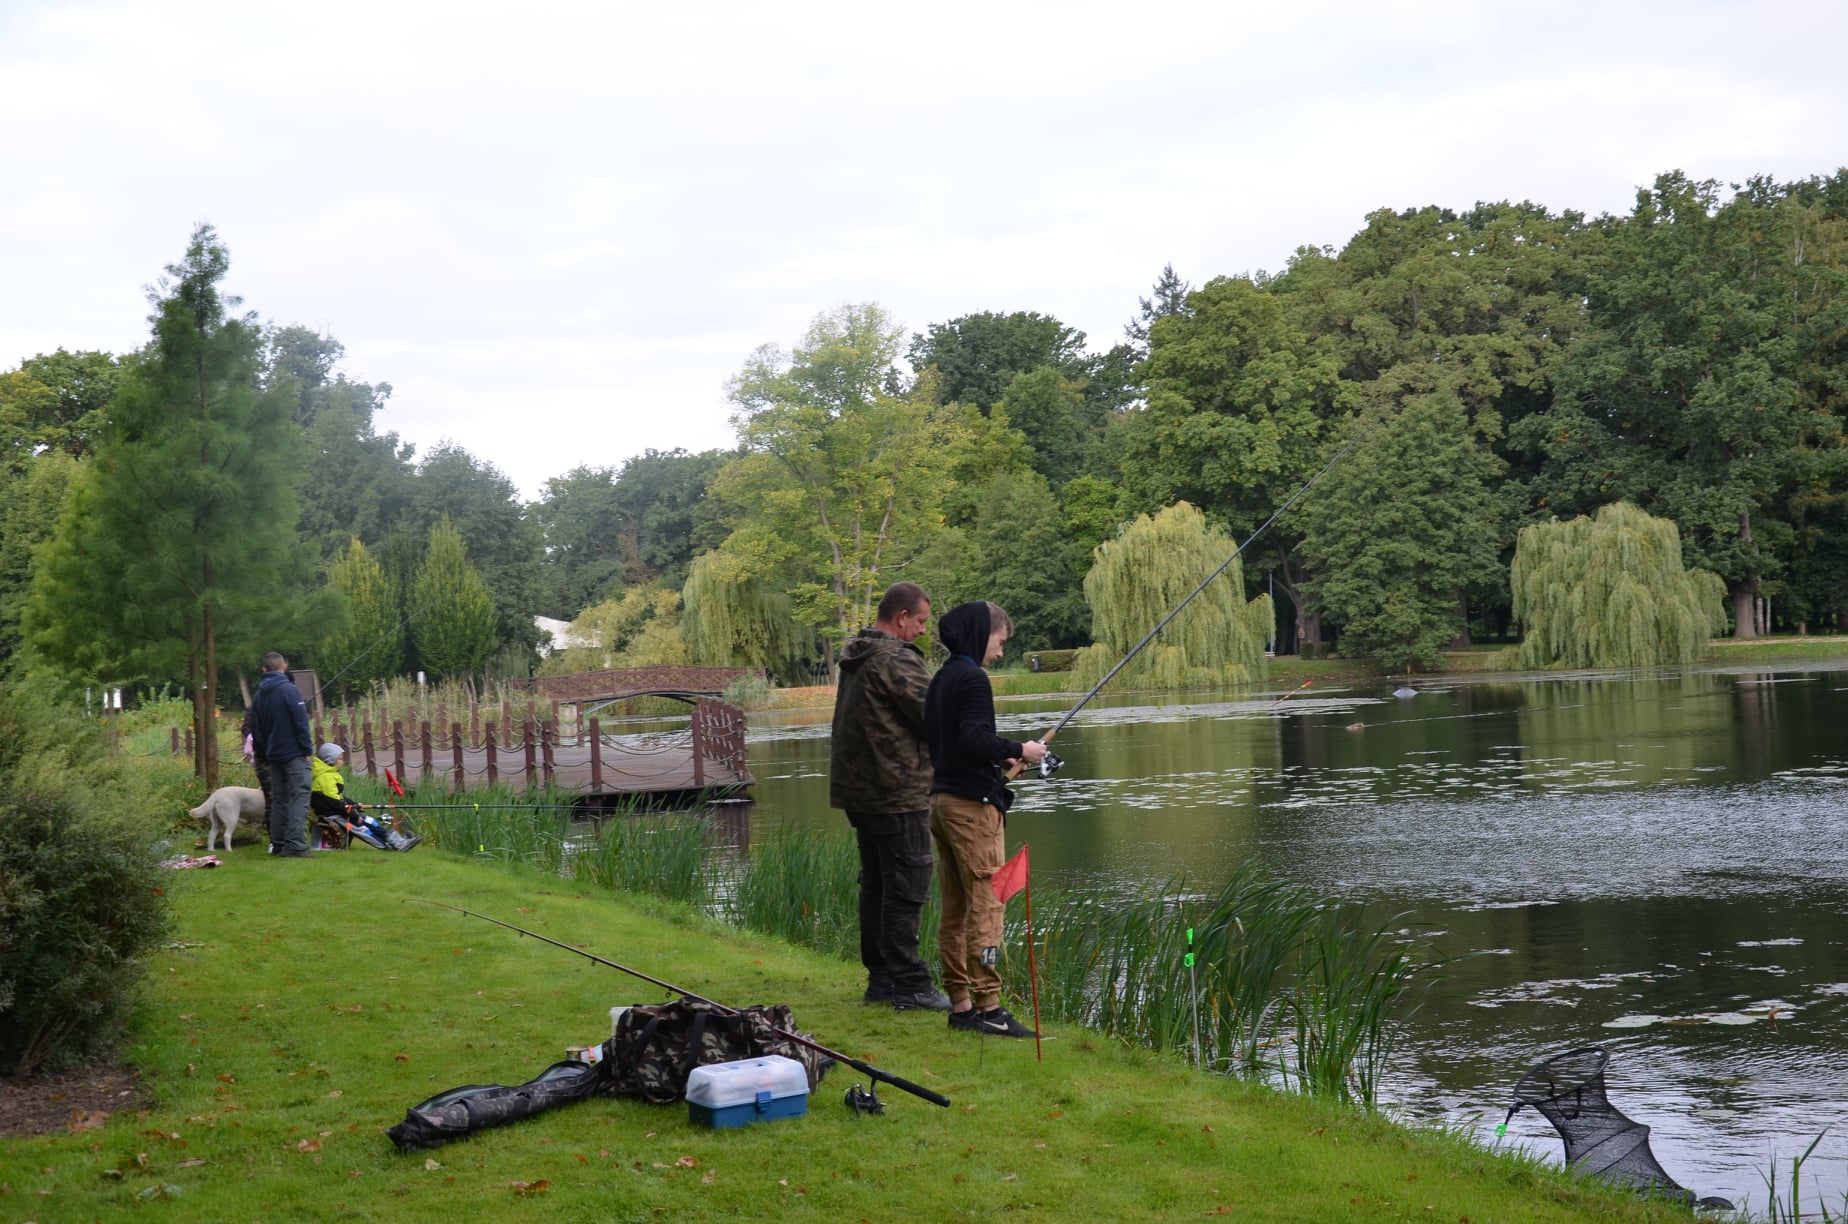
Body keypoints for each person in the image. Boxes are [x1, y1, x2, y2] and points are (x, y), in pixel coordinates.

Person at [925, 601, 1047, 1037]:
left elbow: (958, 743)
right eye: (999, 641)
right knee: (987, 907)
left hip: (941, 802)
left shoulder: (942, 678)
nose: (1000, 651)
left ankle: (961, 1004)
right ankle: (989, 1007)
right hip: (972, 811)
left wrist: (1002, 757)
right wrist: (1022, 749)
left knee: (955, 909)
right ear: (981, 634)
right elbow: (974, 736)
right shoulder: (973, 678)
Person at [829, 582, 949, 1011]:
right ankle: (911, 985)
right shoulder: (894, 658)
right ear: (901, 617)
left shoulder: (857, 655)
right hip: (897, 789)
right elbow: (936, 717)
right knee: (907, 884)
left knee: (878, 884)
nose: (923, 630)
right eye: (920, 621)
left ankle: (881, 980)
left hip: (861, 791)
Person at [250, 652, 314, 858]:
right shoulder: (290, 690)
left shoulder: (259, 696)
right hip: (294, 754)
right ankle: (295, 845)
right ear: (284, 667)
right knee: (299, 796)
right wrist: (307, 750)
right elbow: (301, 723)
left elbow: (257, 728)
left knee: (279, 799)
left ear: (264, 669)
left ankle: (278, 843)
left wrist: (266, 750)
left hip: (273, 755)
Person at [310, 743, 420, 851]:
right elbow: (335, 803)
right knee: (362, 828)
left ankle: (396, 840)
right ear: (330, 760)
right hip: (332, 815)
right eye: (340, 759)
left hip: (337, 812)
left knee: (370, 821)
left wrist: (355, 804)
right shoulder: (326, 777)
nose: (343, 761)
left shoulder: (329, 775)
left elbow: (339, 797)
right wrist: (354, 816)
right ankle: (390, 845)